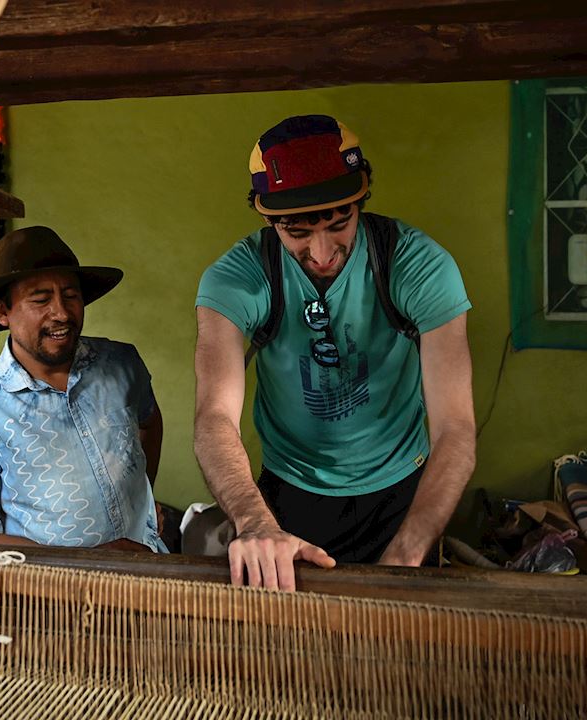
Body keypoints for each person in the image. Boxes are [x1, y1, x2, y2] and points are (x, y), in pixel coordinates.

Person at [193, 115, 476, 589]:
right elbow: (213, 418)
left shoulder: (418, 266)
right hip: (287, 494)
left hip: (402, 491)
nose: (322, 253)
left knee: (396, 645)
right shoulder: (237, 279)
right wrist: (256, 523)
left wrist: (407, 554)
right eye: (297, 233)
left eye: (338, 223)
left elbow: (456, 430)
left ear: (361, 200)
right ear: (267, 218)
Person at [0, 226, 165, 552]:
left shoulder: (122, 364)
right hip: (50, 597)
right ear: (3, 311)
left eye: (71, 295)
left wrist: (143, 501)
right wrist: (85, 561)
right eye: (41, 299)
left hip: (146, 572)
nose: (61, 313)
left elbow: (149, 421)